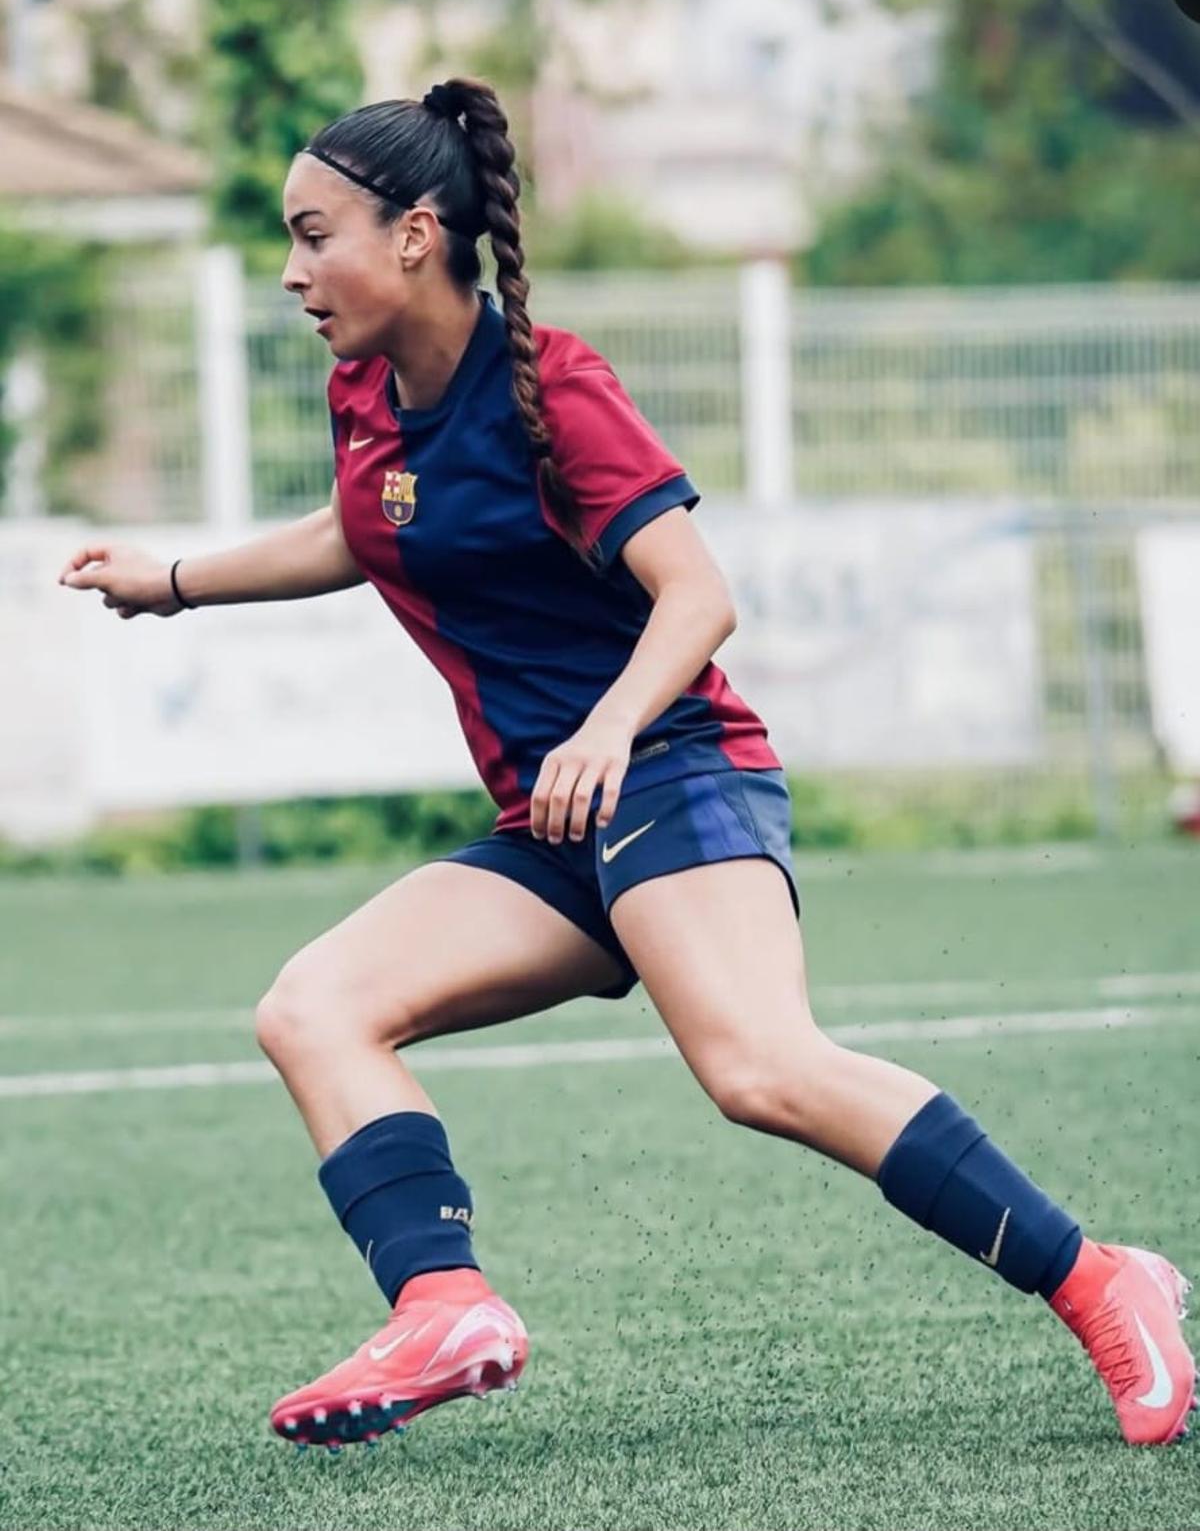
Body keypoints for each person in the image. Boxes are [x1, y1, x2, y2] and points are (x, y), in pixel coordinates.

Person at [59, 76, 1195, 1456]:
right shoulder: (365, 390)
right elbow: (364, 531)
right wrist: (176, 579)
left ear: (416, 234)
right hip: (554, 822)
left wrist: (605, 727)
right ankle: (444, 1303)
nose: (295, 272)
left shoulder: (556, 389)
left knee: (759, 1068)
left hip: (669, 771)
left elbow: (697, 594)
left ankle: (1100, 1278)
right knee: (314, 1010)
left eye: (315, 235)